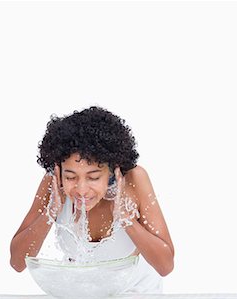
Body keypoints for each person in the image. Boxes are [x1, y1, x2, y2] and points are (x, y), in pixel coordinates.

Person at [10, 106, 174, 293]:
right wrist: (51, 213)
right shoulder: (54, 184)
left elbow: (165, 266)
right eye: (71, 177)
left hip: (137, 293)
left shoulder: (134, 181)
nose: (81, 190)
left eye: (93, 177)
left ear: (112, 171)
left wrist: (127, 220)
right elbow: (17, 262)